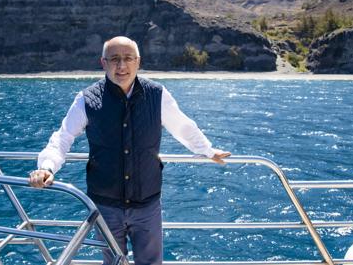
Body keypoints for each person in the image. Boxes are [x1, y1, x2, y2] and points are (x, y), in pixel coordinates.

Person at [29, 36, 231, 265]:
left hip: (147, 204)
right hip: (105, 206)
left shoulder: (157, 94)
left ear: (138, 62)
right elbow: (62, 137)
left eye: (128, 59)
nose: (122, 66)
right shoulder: (86, 100)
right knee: (113, 262)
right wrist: (46, 167)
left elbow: (182, 126)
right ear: (103, 62)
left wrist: (207, 150)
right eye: (114, 59)